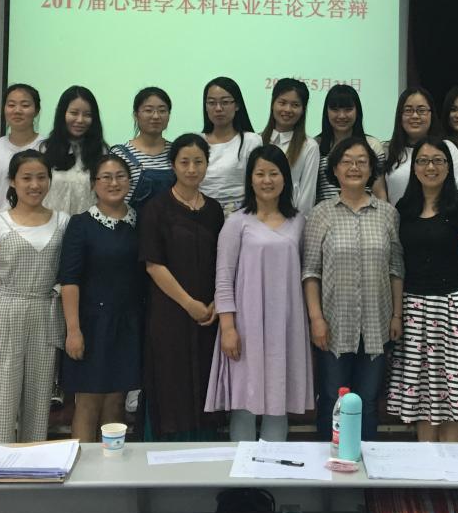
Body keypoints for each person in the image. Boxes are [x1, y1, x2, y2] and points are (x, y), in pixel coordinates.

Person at [204, 145, 312, 441]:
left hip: (286, 326)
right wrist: (228, 328)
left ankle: (272, 466)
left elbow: (306, 274)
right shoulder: (236, 222)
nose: (267, 180)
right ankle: (243, 467)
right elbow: (223, 278)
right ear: (250, 179)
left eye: (274, 173)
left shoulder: (299, 222)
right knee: (245, 402)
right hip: (246, 326)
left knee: (278, 401)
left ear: (285, 178)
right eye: (260, 173)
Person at [304, 137, 404, 442]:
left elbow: (395, 269)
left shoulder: (387, 214)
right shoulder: (320, 213)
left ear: (372, 169)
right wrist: (316, 318)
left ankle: (364, 466)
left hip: (376, 325)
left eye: (362, 161)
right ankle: (330, 465)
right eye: (346, 161)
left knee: (368, 402)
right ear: (334, 169)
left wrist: (396, 315)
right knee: (332, 400)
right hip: (333, 326)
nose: (354, 167)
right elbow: (311, 272)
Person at [387, 138, 458, 441]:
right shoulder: (404, 208)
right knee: (422, 400)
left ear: (448, 166)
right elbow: (398, 264)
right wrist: (397, 315)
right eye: (423, 161)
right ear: (414, 168)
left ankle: (452, 467)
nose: (430, 167)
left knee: (453, 401)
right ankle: (426, 465)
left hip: (452, 310)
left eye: (438, 160)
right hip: (414, 312)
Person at [0, 150, 69, 443]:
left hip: (46, 312)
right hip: (6, 312)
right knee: (0, 396)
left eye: (41, 177)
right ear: (12, 182)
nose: (34, 185)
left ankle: (32, 461)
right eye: (26, 178)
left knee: (39, 399)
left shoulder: (63, 222)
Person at [139, 133, 225, 440]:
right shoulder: (156, 208)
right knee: (170, 382)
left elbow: (223, 261)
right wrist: (188, 303)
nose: (192, 169)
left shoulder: (214, 210)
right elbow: (153, 264)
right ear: (173, 165)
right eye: (184, 162)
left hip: (209, 315)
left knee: (204, 382)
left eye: (198, 162)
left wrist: (216, 301)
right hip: (170, 311)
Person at [58, 154, 143, 443]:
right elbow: (69, 281)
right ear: (94, 184)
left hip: (128, 324)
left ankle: (111, 464)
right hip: (91, 324)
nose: (113, 183)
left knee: (116, 401)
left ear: (129, 181)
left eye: (120, 176)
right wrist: (73, 330)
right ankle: (83, 466)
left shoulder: (139, 221)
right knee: (88, 402)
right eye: (106, 177)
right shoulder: (81, 224)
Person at [0, 84, 45, 253]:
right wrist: (0, 227)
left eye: (25, 105)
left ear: (36, 111)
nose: (17, 110)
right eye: (11, 105)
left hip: (38, 236)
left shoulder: (47, 148)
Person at [385, 87, 458, 208]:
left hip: (442, 218)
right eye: (408, 110)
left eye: (421, 110)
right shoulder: (388, 150)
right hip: (398, 218)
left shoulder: (447, 147)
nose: (415, 116)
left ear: (431, 114)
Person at [314, 84, 388, 203]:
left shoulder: (372, 145)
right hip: (326, 213)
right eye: (335, 110)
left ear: (357, 111)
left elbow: (379, 192)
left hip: (366, 213)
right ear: (326, 112)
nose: (342, 115)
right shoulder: (315, 145)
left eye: (348, 109)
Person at [200, 77, 262, 215]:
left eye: (225, 102)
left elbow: (257, 184)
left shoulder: (251, 141)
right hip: (200, 214)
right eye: (211, 103)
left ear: (237, 105)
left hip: (240, 215)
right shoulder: (197, 141)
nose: (218, 108)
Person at [40, 86, 107, 215]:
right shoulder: (45, 149)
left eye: (87, 115)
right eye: (74, 113)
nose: (80, 120)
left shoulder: (101, 152)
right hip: (51, 224)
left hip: (87, 224)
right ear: (62, 113)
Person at [111, 87, 175, 215]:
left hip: (172, 225)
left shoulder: (177, 152)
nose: (156, 116)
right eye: (148, 110)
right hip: (129, 225)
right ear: (136, 115)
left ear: (169, 116)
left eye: (162, 111)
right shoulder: (120, 154)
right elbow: (111, 199)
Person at [260, 78, 320, 216]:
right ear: (273, 104)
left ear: (303, 109)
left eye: (295, 105)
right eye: (282, 103)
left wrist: (298, 223)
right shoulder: (256, 140)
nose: (287, 109)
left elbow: (308, 193)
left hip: (291, 219)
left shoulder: (309, 146)